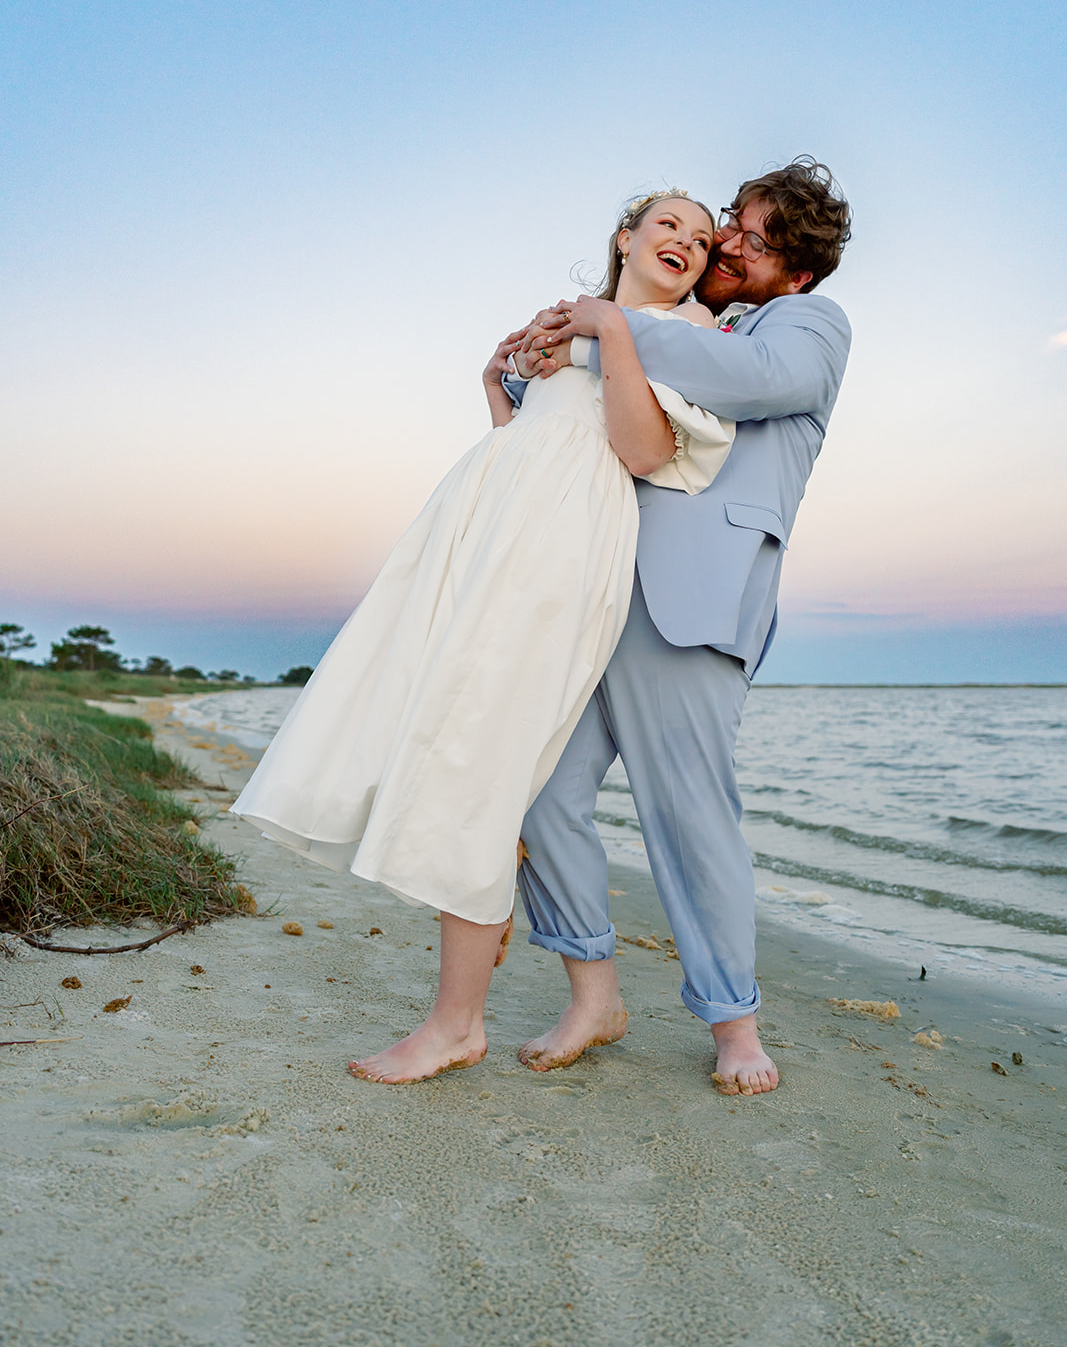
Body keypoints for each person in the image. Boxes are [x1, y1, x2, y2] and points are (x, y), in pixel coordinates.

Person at [234, 193, 736, 1083]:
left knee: (480, 754)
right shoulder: (570, 325)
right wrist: (496, 394)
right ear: (624, 237)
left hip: (562, 542)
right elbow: (538, 436)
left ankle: (456, 1024)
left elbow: (640, 452)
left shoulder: (684, 333)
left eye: (701, 241)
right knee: (433, 721)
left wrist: (613, 335)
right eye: (668, 226)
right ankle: (493, 996)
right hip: (488, 517)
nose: (685, 245)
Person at [508, 157, 852, 1097]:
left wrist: (602, 332)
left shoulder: (804, 327)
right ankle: (592, 995)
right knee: (535, 794)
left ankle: (732, 1025)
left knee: (688, 817)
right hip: (595, 590)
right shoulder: (679, 320)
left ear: (801, 271)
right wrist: (526, 364)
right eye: (733, 225)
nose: (731, 244)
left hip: (691, 607)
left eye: (757, 237)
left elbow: (747, 379)